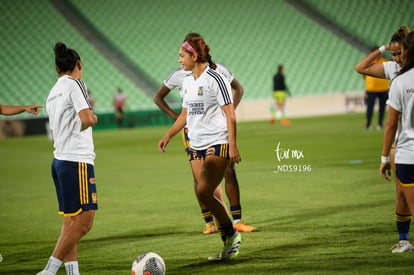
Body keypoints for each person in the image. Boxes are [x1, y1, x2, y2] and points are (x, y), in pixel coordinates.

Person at [154, 33, 255, 234]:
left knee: (204, 190)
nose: (178, 60)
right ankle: (227, 234)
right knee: (206, 191)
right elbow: (185, 114)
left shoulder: (216, 78)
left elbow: (231, 115)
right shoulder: (188, 82)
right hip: (196, 143)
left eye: (181, 55)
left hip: (218, 140)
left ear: (194, 56)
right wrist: (168, 135)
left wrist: (233, 146)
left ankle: (232, 226)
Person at [38, 42, 98, 275]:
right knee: (85, 223)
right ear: (78, 65)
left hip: (60, 161)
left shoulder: (53, 92)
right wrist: (93, 118)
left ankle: (73, 272)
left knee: (70, 223)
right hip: (77, 161)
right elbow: (86, 117)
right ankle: (49, 270)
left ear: (56, 69)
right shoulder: (76, 84)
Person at [356, 26, 413, 253]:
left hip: (404, 142)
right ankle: (404, 239)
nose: (397, 58)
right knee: (400, 192)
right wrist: (382, 49)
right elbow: (360, 67)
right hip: (400, 143)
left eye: (400, 53)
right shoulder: (392, 69)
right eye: (394, 54)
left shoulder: (403, 76)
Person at [380, 31, 414, 254]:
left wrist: (384, 157)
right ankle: (403, 240)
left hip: (408, 154)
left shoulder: (400, 82)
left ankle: (404, 241)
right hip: (406, 153)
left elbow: (391, 125)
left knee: (405, 197)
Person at [362, 47, 390, 130]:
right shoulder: (367, 62)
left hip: (383, 89)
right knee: (369, 107)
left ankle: (380, 124)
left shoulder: (385, 62)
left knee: (382, 108)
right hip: (371, 90)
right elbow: (363, 75)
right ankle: (368, 125)